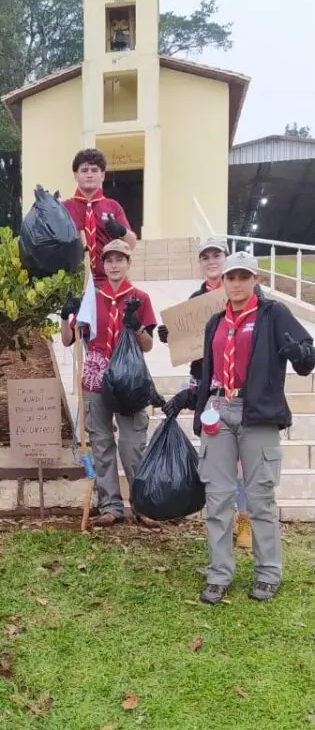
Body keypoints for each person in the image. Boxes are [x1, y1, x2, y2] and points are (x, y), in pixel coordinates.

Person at [164, 250, 315, 603]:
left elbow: (306, 355)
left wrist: (300, 353)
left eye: (243, 277)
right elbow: (204, 372)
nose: (235, 283)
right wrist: (192, 398)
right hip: (220, 409)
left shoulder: (272, 314)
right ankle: (219, 572)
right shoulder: (215, 321)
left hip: (257, 413)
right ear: (223, 281)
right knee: (217, 498)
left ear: (255, 280)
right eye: (231, 277)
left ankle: (268, 572)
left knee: (260, 497)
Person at [159, 235, 251, 550]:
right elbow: (193, 353)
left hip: (242, 391)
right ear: (201, 263)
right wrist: (170, 337)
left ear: (226, 260)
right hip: (209, 393)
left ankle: (246, 520)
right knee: (217, 461)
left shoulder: (245, 295)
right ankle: (221, 523)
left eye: (217, 255)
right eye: (206, 257)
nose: (211, 261)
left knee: (243, 462)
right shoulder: (195, 299)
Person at [60, 238, 159, 526]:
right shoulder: (93, 297)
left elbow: (148, 345)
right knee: (101, 442)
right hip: (96, 375)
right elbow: (69, 340)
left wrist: (136, 325)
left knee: (132, 443)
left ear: (128, 263)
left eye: (120, 259)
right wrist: (66, 316)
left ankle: (142, 505)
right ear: (103, 265)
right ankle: (110, 506)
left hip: (129, 379)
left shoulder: (140, 297)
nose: (115, 265)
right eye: (110, 260)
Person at [62, 149, 137, 280]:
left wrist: (121, 231)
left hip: (109, 282)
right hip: (74, 283)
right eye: (84, 170)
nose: (89, 175)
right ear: (75, 175)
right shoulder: (63, 209)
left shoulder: (113, 206)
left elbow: (131, 244)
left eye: (94, 170)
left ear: (102, 175)